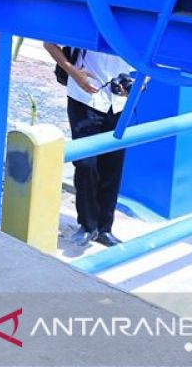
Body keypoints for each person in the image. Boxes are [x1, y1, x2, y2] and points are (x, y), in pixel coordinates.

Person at [44, 43, 132, 248]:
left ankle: (104, 228)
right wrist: (74, 72)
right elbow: (49, 43)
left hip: (119, 103)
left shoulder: (137, 23)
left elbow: (152, 60)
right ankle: (87, 225)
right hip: (85, 98)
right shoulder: (87, 15)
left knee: (113, 166)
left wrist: (139, 82)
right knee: (86, 165)